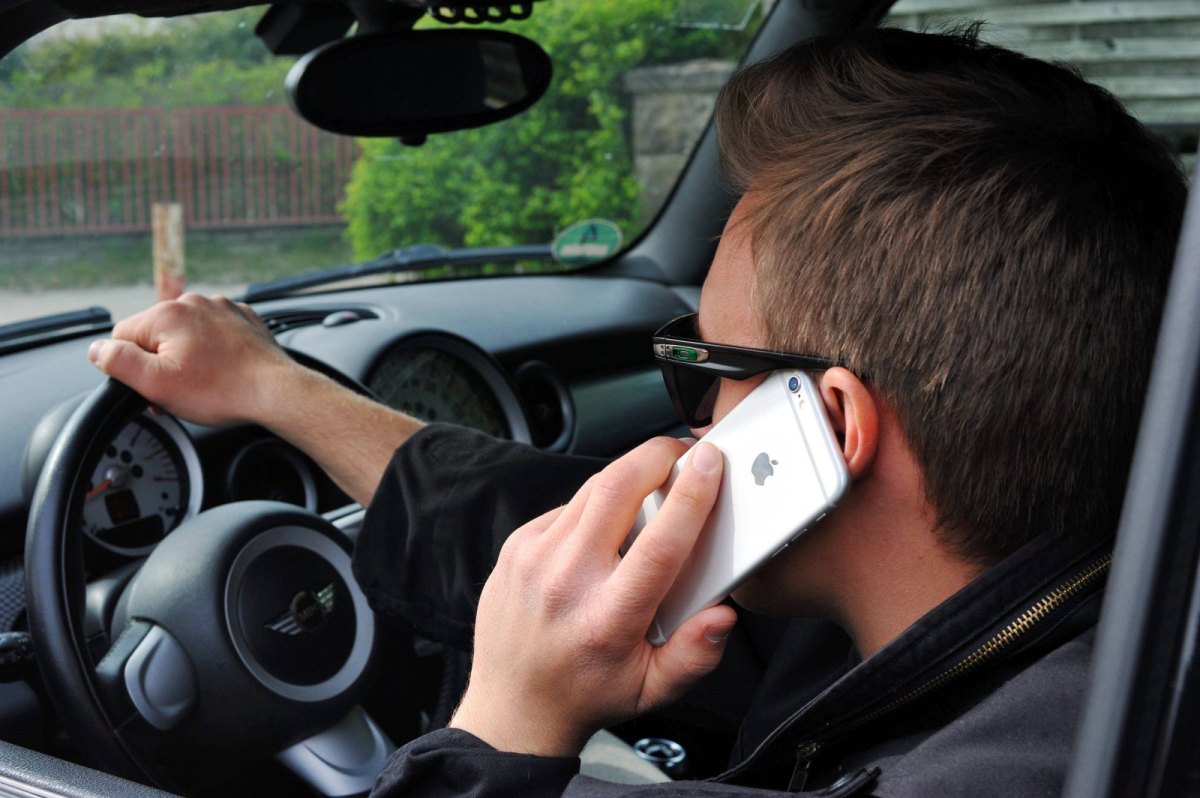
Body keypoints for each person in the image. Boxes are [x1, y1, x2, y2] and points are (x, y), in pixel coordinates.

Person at [89, 26, 1186, 797]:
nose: (695, 420)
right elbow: (553, 526)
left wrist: (506, 729)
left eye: (709, 370)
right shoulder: (1061, 614)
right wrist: (277, 391)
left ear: (833, 430)